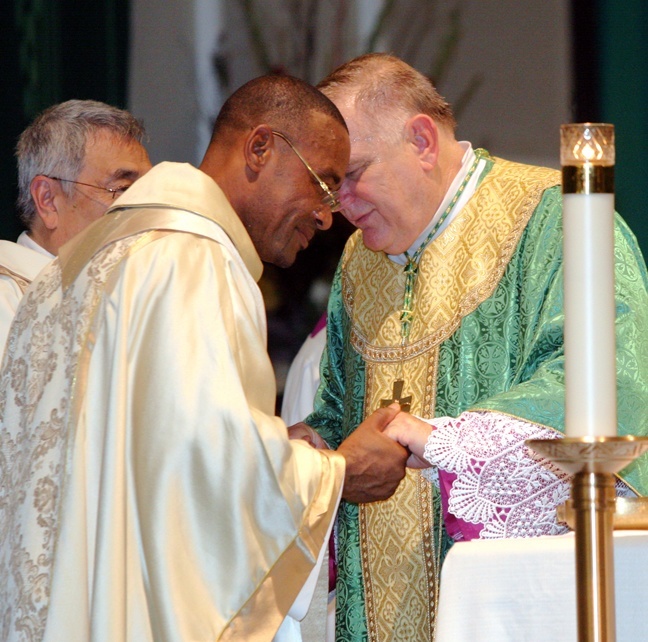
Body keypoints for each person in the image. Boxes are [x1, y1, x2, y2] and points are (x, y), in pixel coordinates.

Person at [0, 74, 409, 642]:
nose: (327, 214)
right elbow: (208, 464)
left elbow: (144, 456)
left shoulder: (78, 269)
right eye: (322, 184)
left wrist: (269, 444)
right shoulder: (191, 259)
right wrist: (338, 473)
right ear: (260, 148)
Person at [288, 53, 648, 641]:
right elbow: (339, 407)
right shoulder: (360, 264)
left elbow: (609, 382)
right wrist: (310, 447)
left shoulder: (551, 220)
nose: (340, 206)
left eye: (352, 174)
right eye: (329, 187)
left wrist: (443, 442)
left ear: (423, 140)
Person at [0, 100, 152, 352]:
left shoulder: (138, 290)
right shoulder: (9, 297)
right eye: (123, 189)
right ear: (47, 200)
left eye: (149, 191)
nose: (145, 208)